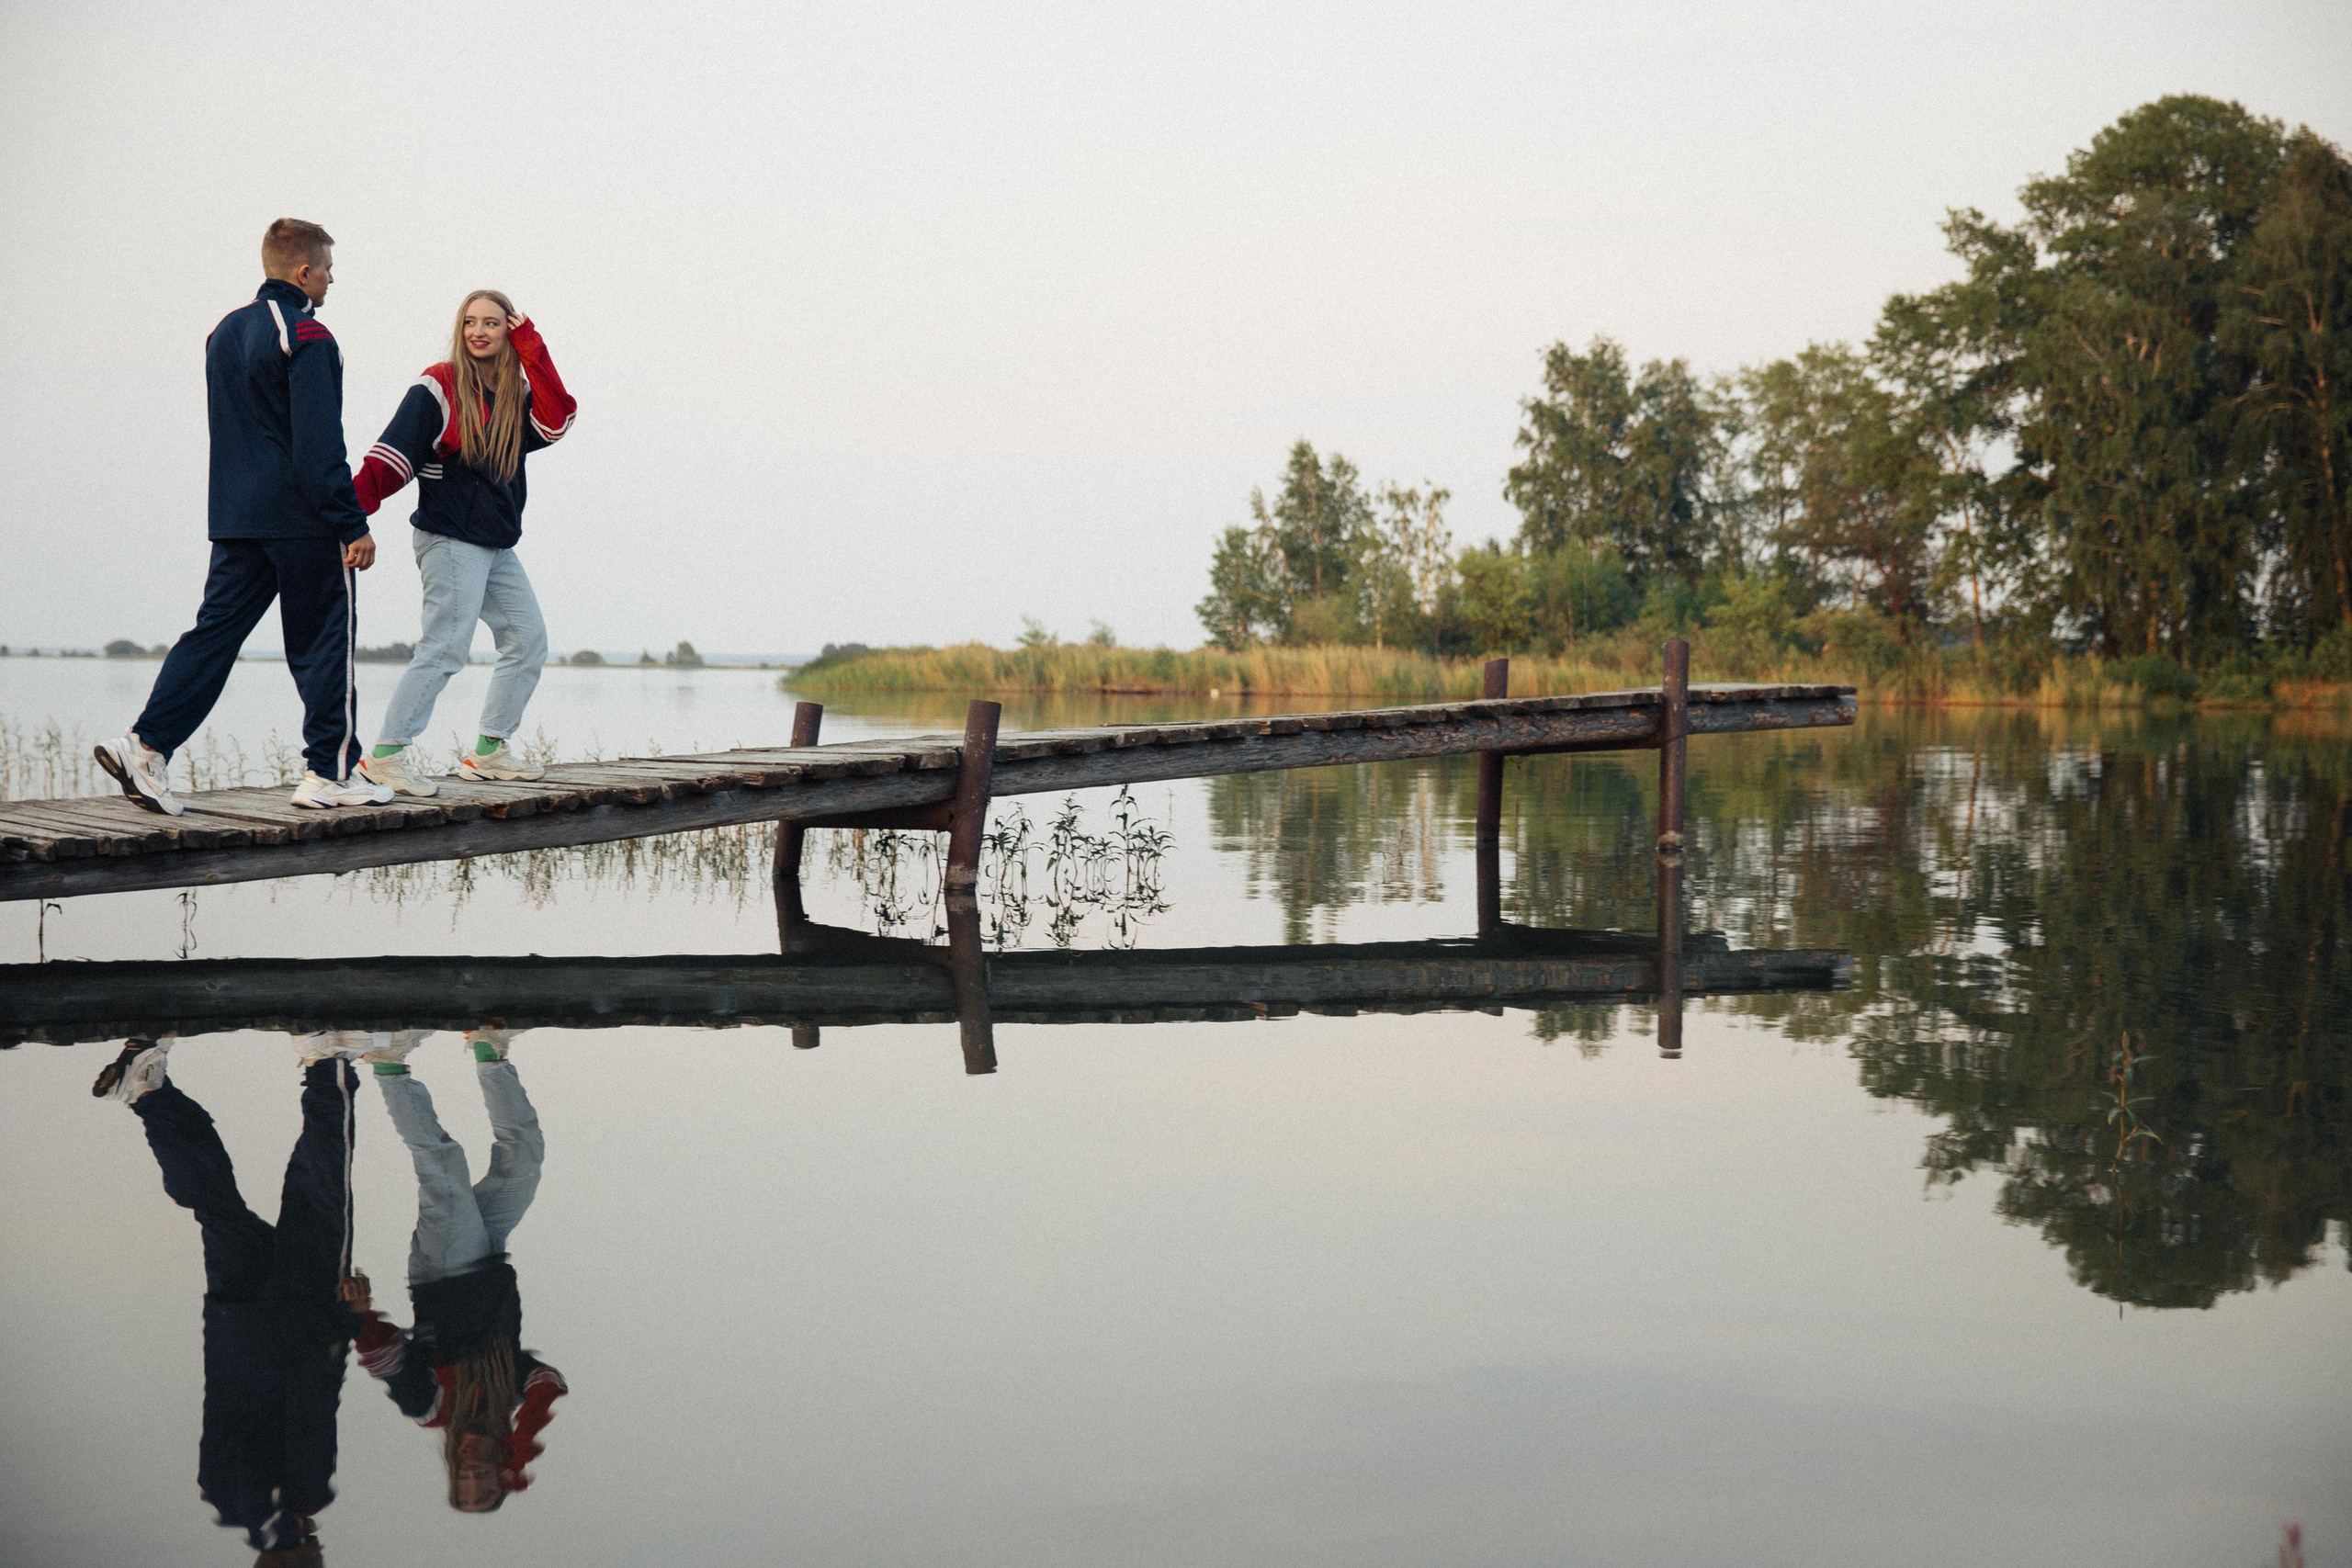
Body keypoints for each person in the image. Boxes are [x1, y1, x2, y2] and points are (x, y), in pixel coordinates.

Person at [94, 219, 395, 817]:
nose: (333, 278)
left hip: (235, 519)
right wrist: (351, 521)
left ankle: (145, 746)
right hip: (303, 522)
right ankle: (328, 774)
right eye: (329, 268)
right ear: (303, 272)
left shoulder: (224, 332)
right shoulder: (309, 334)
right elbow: (318, 447)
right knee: (322, 643)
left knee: (213, 636)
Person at [92, 1032, 379, 1564]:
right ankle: (149, 1094)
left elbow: (315, 1400)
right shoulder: (236, 1500)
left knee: (320, 1195)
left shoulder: (284, 1502)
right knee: (216, 1206)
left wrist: (348, 1323)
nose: (319, 1550)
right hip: (237, 1327)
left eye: (312, 1561)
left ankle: (327, 1061)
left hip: (300, 1317)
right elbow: (304, 1407)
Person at [349, 291, 576, 797]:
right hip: (449, 538)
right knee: (446, 647)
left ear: (509, 331)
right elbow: (389, 456)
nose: (479, 332)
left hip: (495, 543)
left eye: (492, 324)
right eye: (470, 322)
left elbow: (557, 421)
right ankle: (384, 758)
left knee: (527, 639)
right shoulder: (441, 384)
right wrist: (350, 518)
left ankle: (490, 752)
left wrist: (532, 345)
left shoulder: (517, 393)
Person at [355, 1030, 567, 1510]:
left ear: (453, 1471)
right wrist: (521, 1438)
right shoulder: (508, 1392)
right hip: (487, 1256)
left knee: (443, 1165)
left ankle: (389, 1065)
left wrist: (360, 1316)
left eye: (464, 1483)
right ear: (500, 1470)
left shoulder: (433, 1408)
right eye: (485, 1483)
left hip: (443, 1268)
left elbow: (385, 1360)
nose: (473, 1472)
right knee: (523, 1161)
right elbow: (550, 1381)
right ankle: (490, 1052)